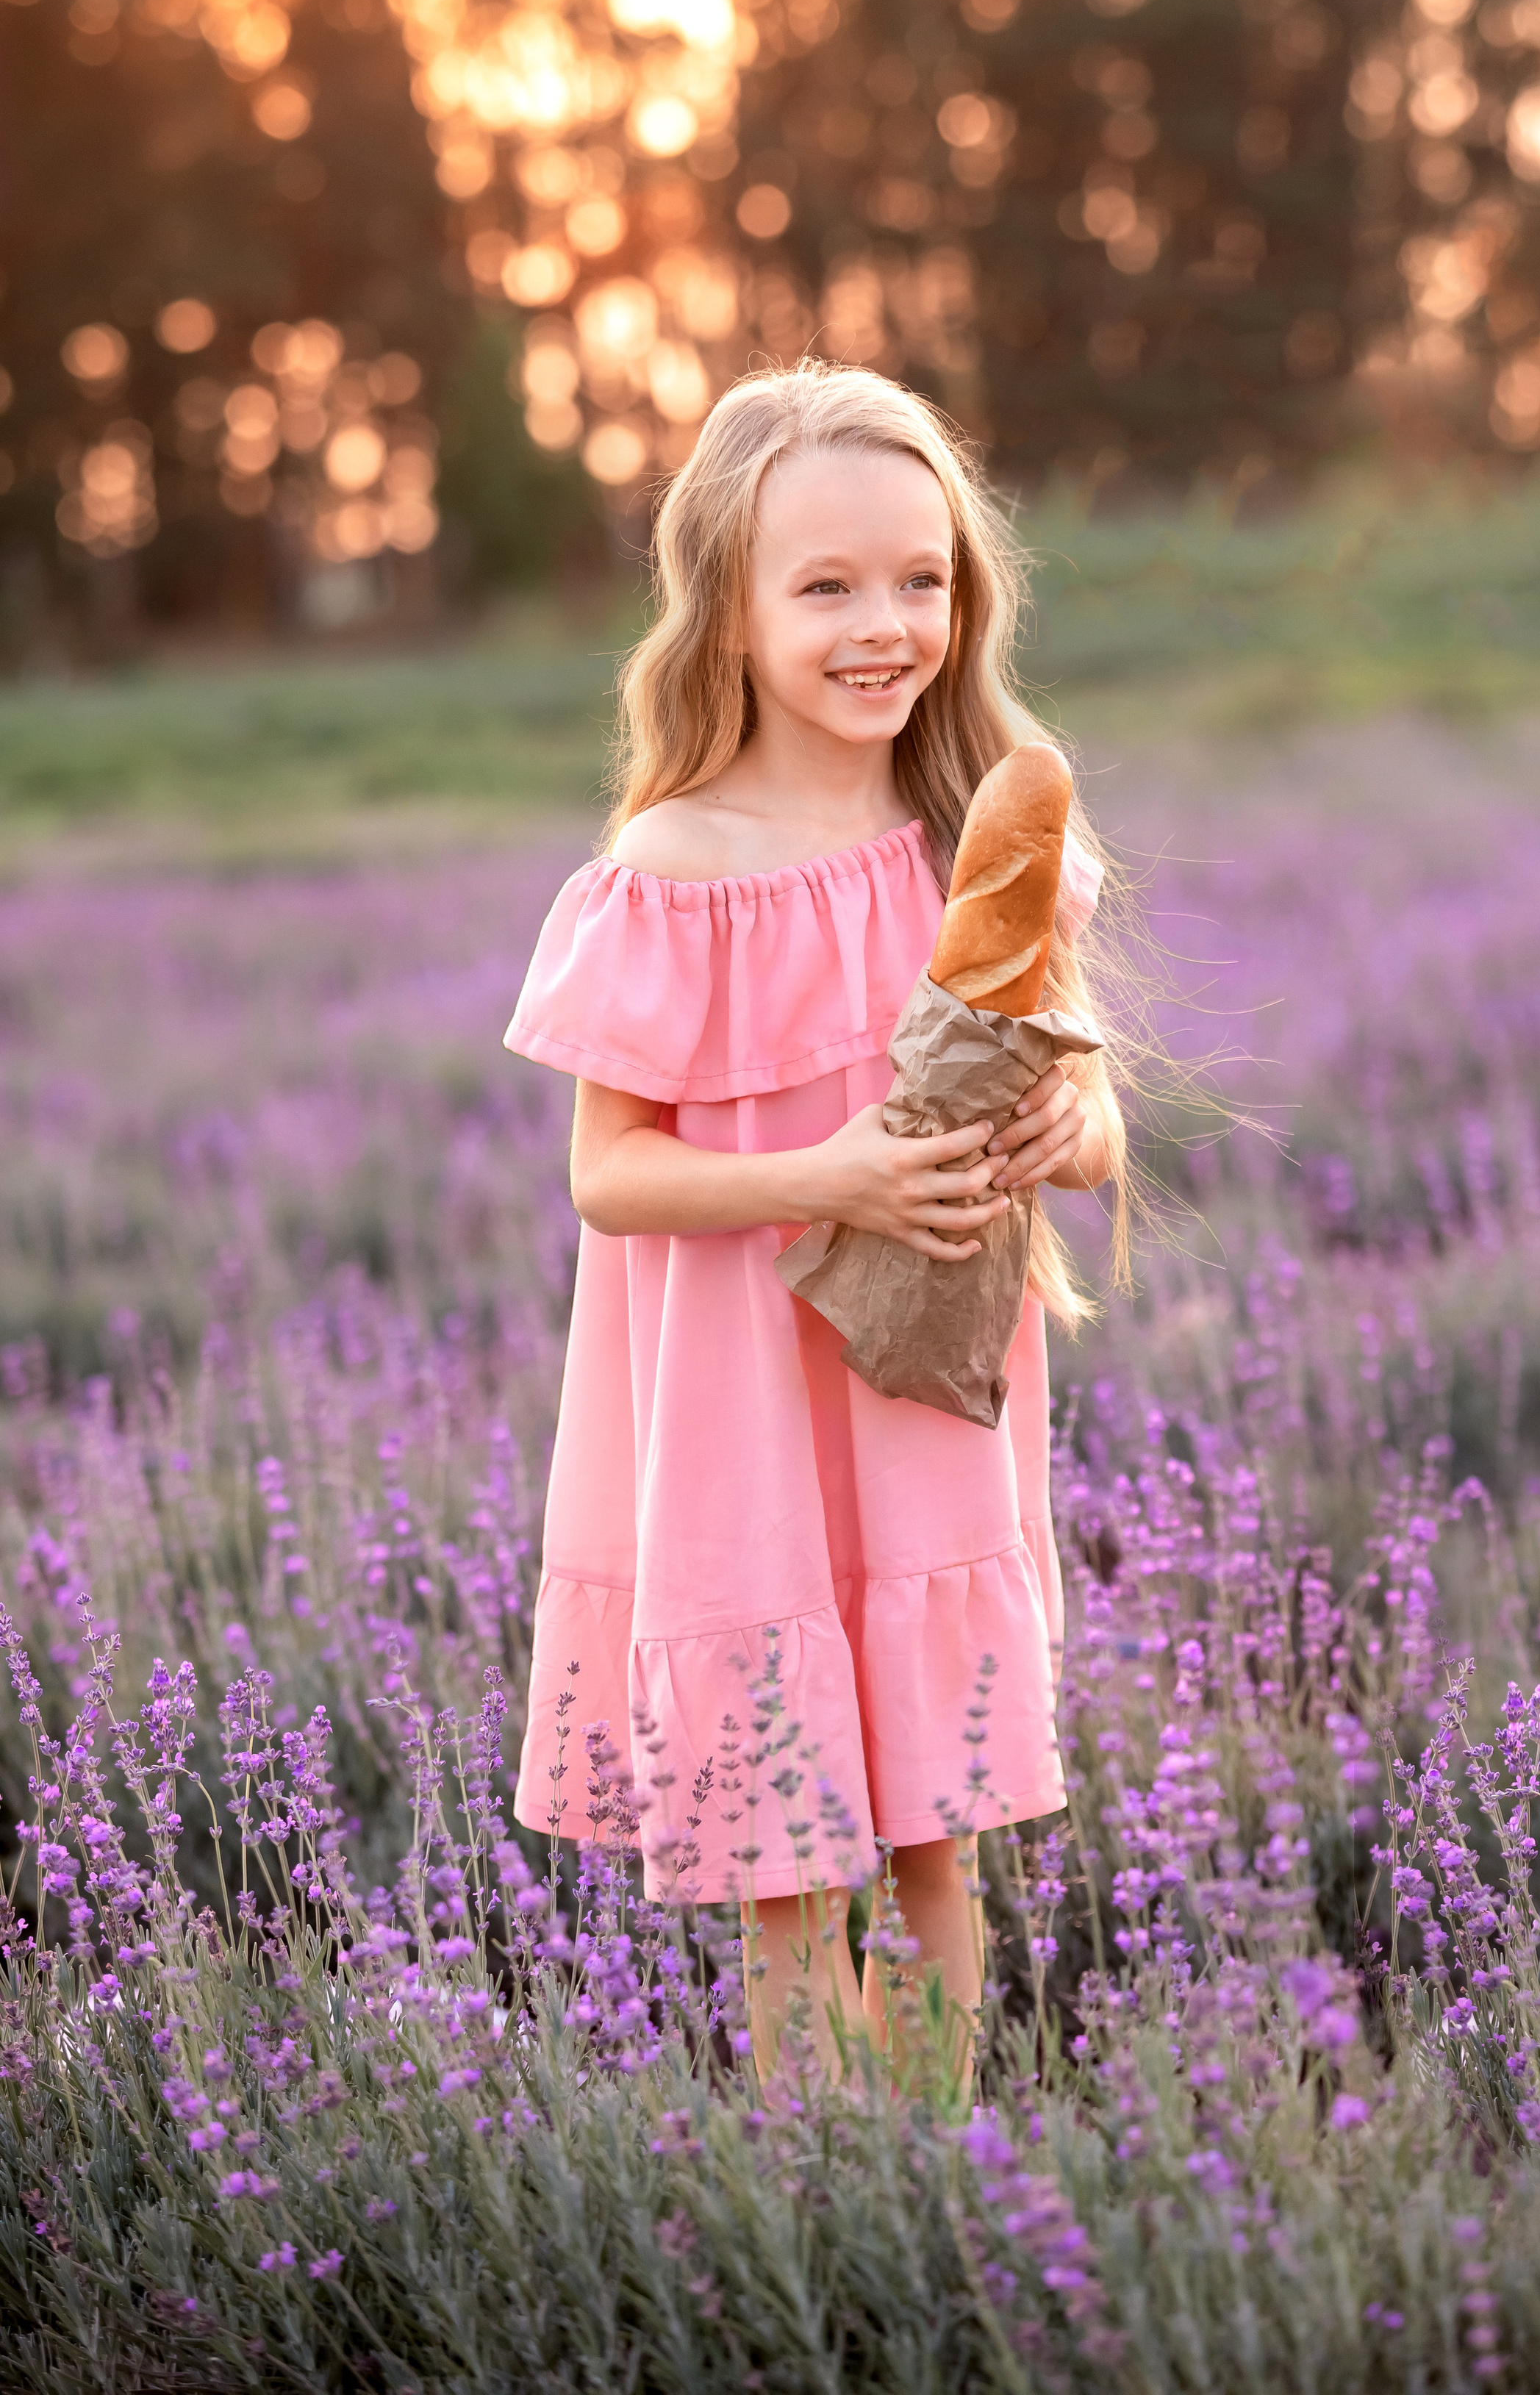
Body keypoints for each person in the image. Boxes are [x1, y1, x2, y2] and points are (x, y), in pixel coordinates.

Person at [503, 358, 1128, 2080]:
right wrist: (822, 1178)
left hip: (921, 1382)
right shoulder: (675, 866)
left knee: (939, 1832)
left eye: (920, 579)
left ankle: (925, 2194)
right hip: (742, 1413)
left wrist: (1076, 1119)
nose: (884, 625)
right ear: (726, 612)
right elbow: (606, 1172)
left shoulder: (976, 829)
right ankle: (825, 2209)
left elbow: (1067, 1096)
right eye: (827, 585)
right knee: (790, 1871)